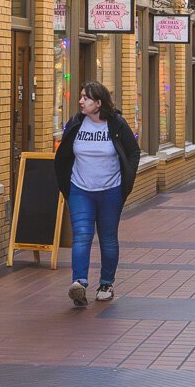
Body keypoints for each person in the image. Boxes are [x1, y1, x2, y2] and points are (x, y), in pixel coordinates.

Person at [54, 81, 141, 307]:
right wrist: (65, 183)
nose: (81, 101)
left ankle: (106, 283)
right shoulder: (75, 123)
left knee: (108, 238)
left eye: (86, 98)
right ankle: (79, 283)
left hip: (110, 191)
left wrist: (126, 181)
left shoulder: (117, 124)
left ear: (99, 103)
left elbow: (133, 152)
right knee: (81, 235)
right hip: (80, 190)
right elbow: (64, 153)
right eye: (81, 96)